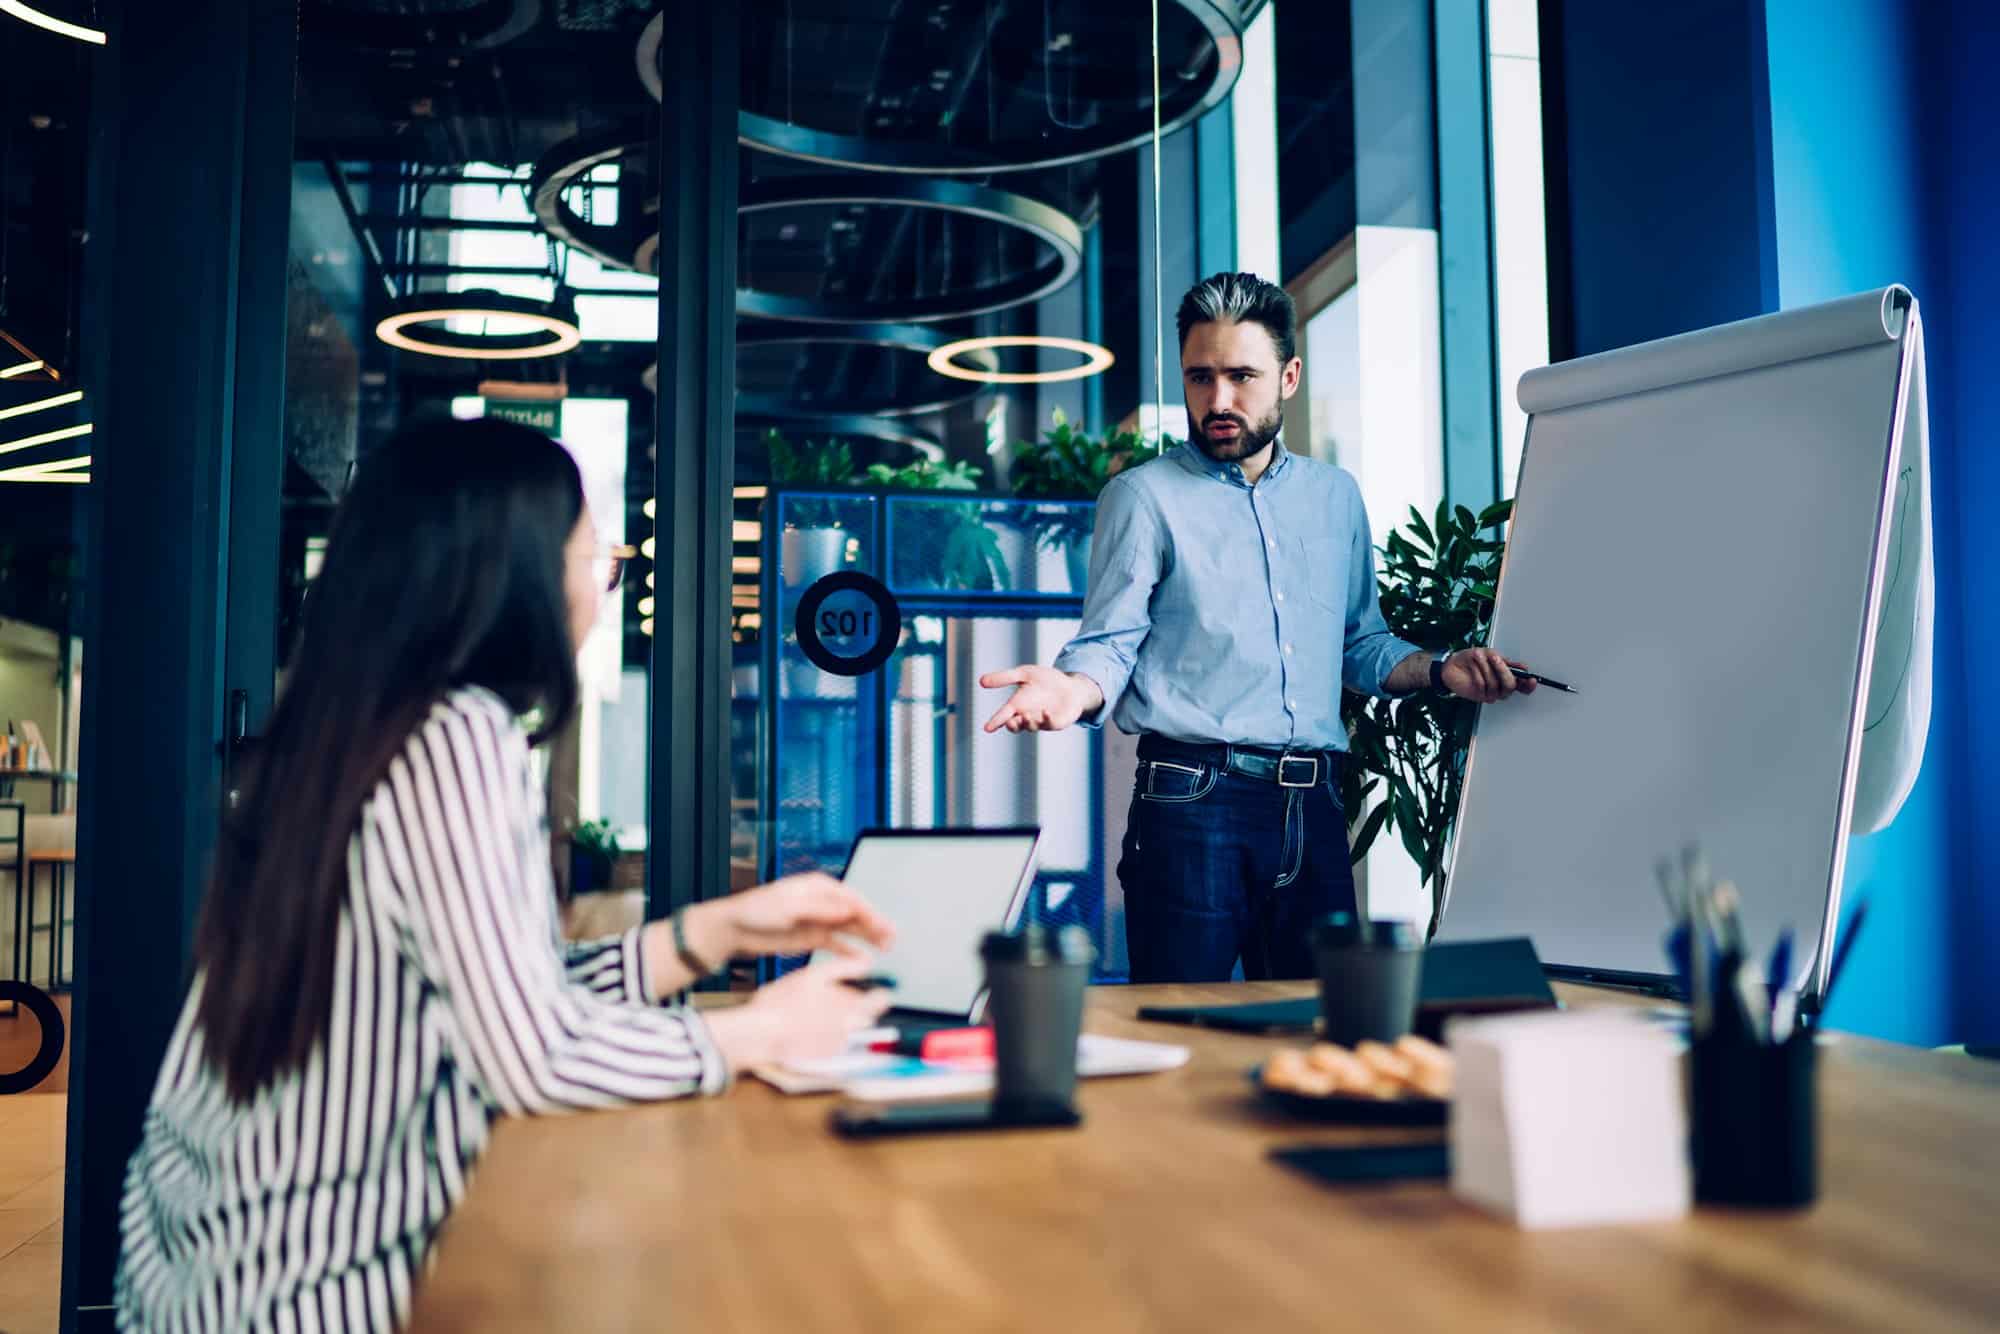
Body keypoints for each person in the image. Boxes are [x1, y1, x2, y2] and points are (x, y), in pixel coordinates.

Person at [115, 418, 896, 1330]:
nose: (602, 590)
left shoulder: (344, 732)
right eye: (594, 557)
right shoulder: (457, 740)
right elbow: (531, 1056)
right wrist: (754, 1034)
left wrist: (704, 936)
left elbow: (480, 990)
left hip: (202, 1265)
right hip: (319, 1288)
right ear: (513, 575)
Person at [980, 272, 1536, 984]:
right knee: (1181, 1033)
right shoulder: (1141, 497)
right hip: (1191, 805)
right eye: (1200, 377)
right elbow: (1110, 643)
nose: (1218, 401)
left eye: (1242, 376)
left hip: (1316, 805)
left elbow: (1359, 645)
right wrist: (1073, 690)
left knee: (1321, 1032)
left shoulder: (1335, 498)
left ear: (1289, 376)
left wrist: (1440, 668)